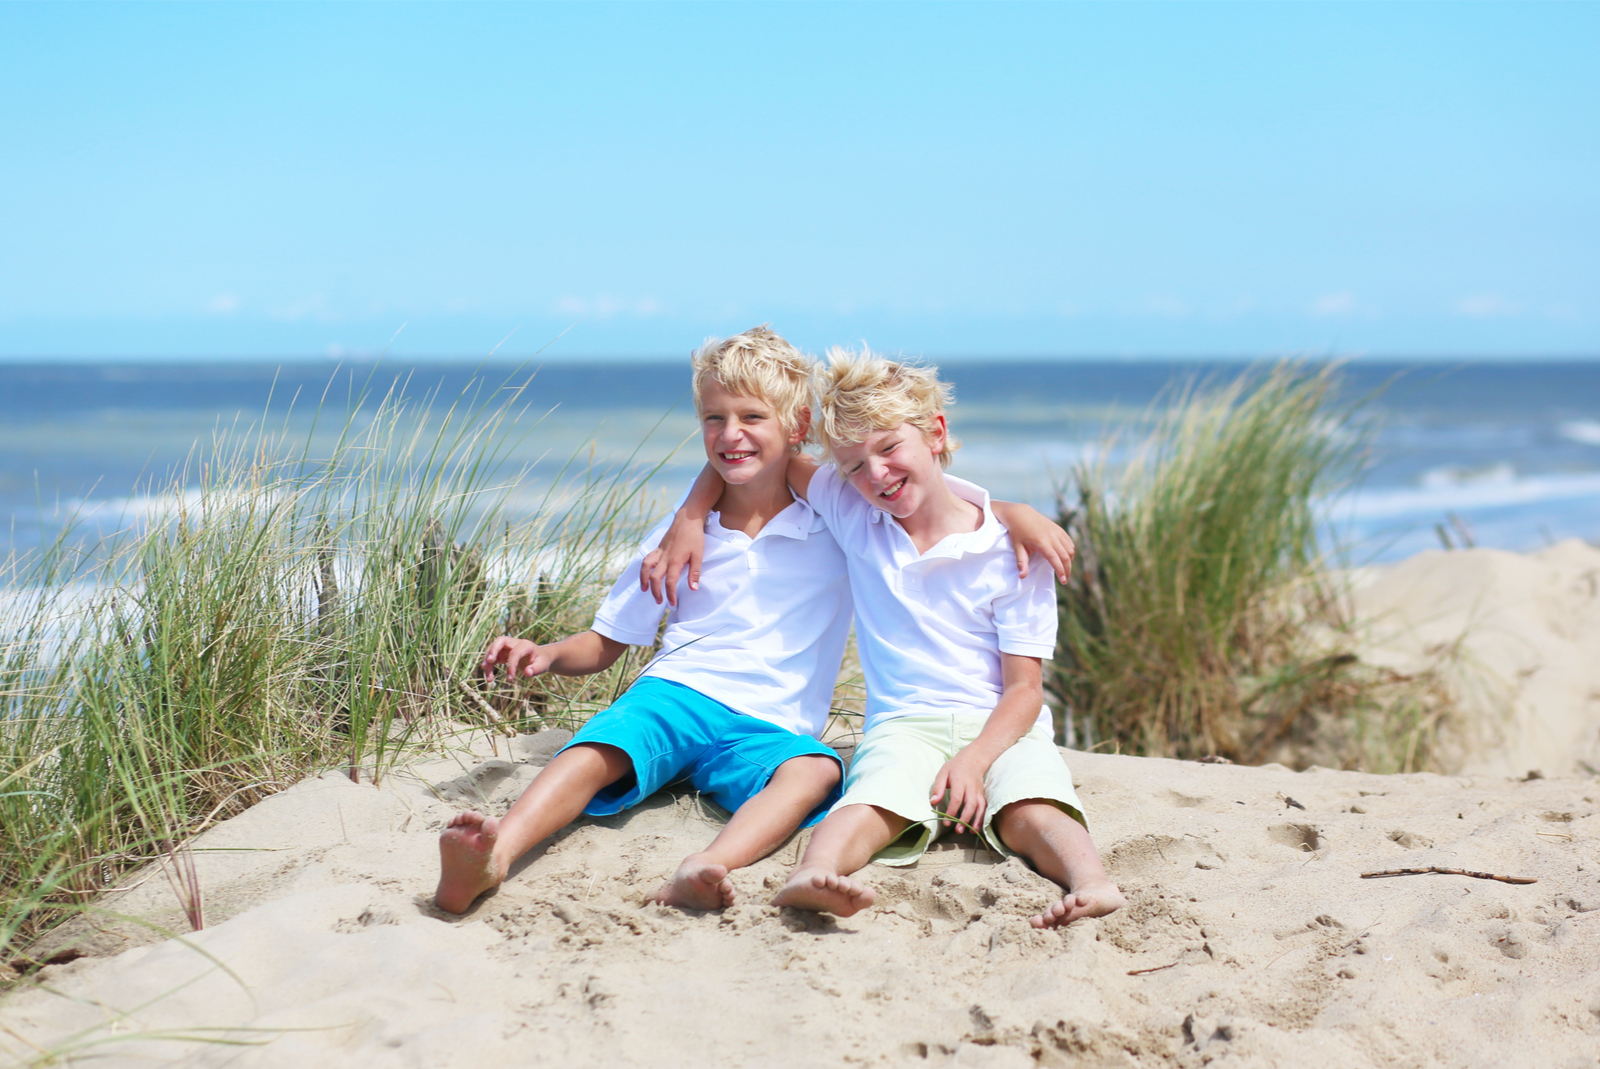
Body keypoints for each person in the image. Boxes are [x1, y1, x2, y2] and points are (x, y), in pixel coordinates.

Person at [436, 327, 1074, 915]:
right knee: (601, 746)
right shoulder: (678, 538)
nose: (728, 433)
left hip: (773, 725)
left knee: (818, 770)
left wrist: (1012, 511)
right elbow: (606, 644)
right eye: (713, 419)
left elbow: (918, 494)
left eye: (749, 417)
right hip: (677, 693)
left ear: (796, 426)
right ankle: (494, 854)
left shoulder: (837, 519)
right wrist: (547, 653)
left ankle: (707, 864)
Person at [648, 346, 1123, 928]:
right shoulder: (855, 515)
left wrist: (975, 760)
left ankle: (1092, 883)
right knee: (867, 807)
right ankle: (812, 876)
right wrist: (690, 515)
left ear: (936, 432)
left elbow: (1025, 690)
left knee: (1030, 810)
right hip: (902, 725)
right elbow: (751, 457)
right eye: (852, 466)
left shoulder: (1016, 551)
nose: (875, 475)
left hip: (998, 727)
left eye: (890, 448)